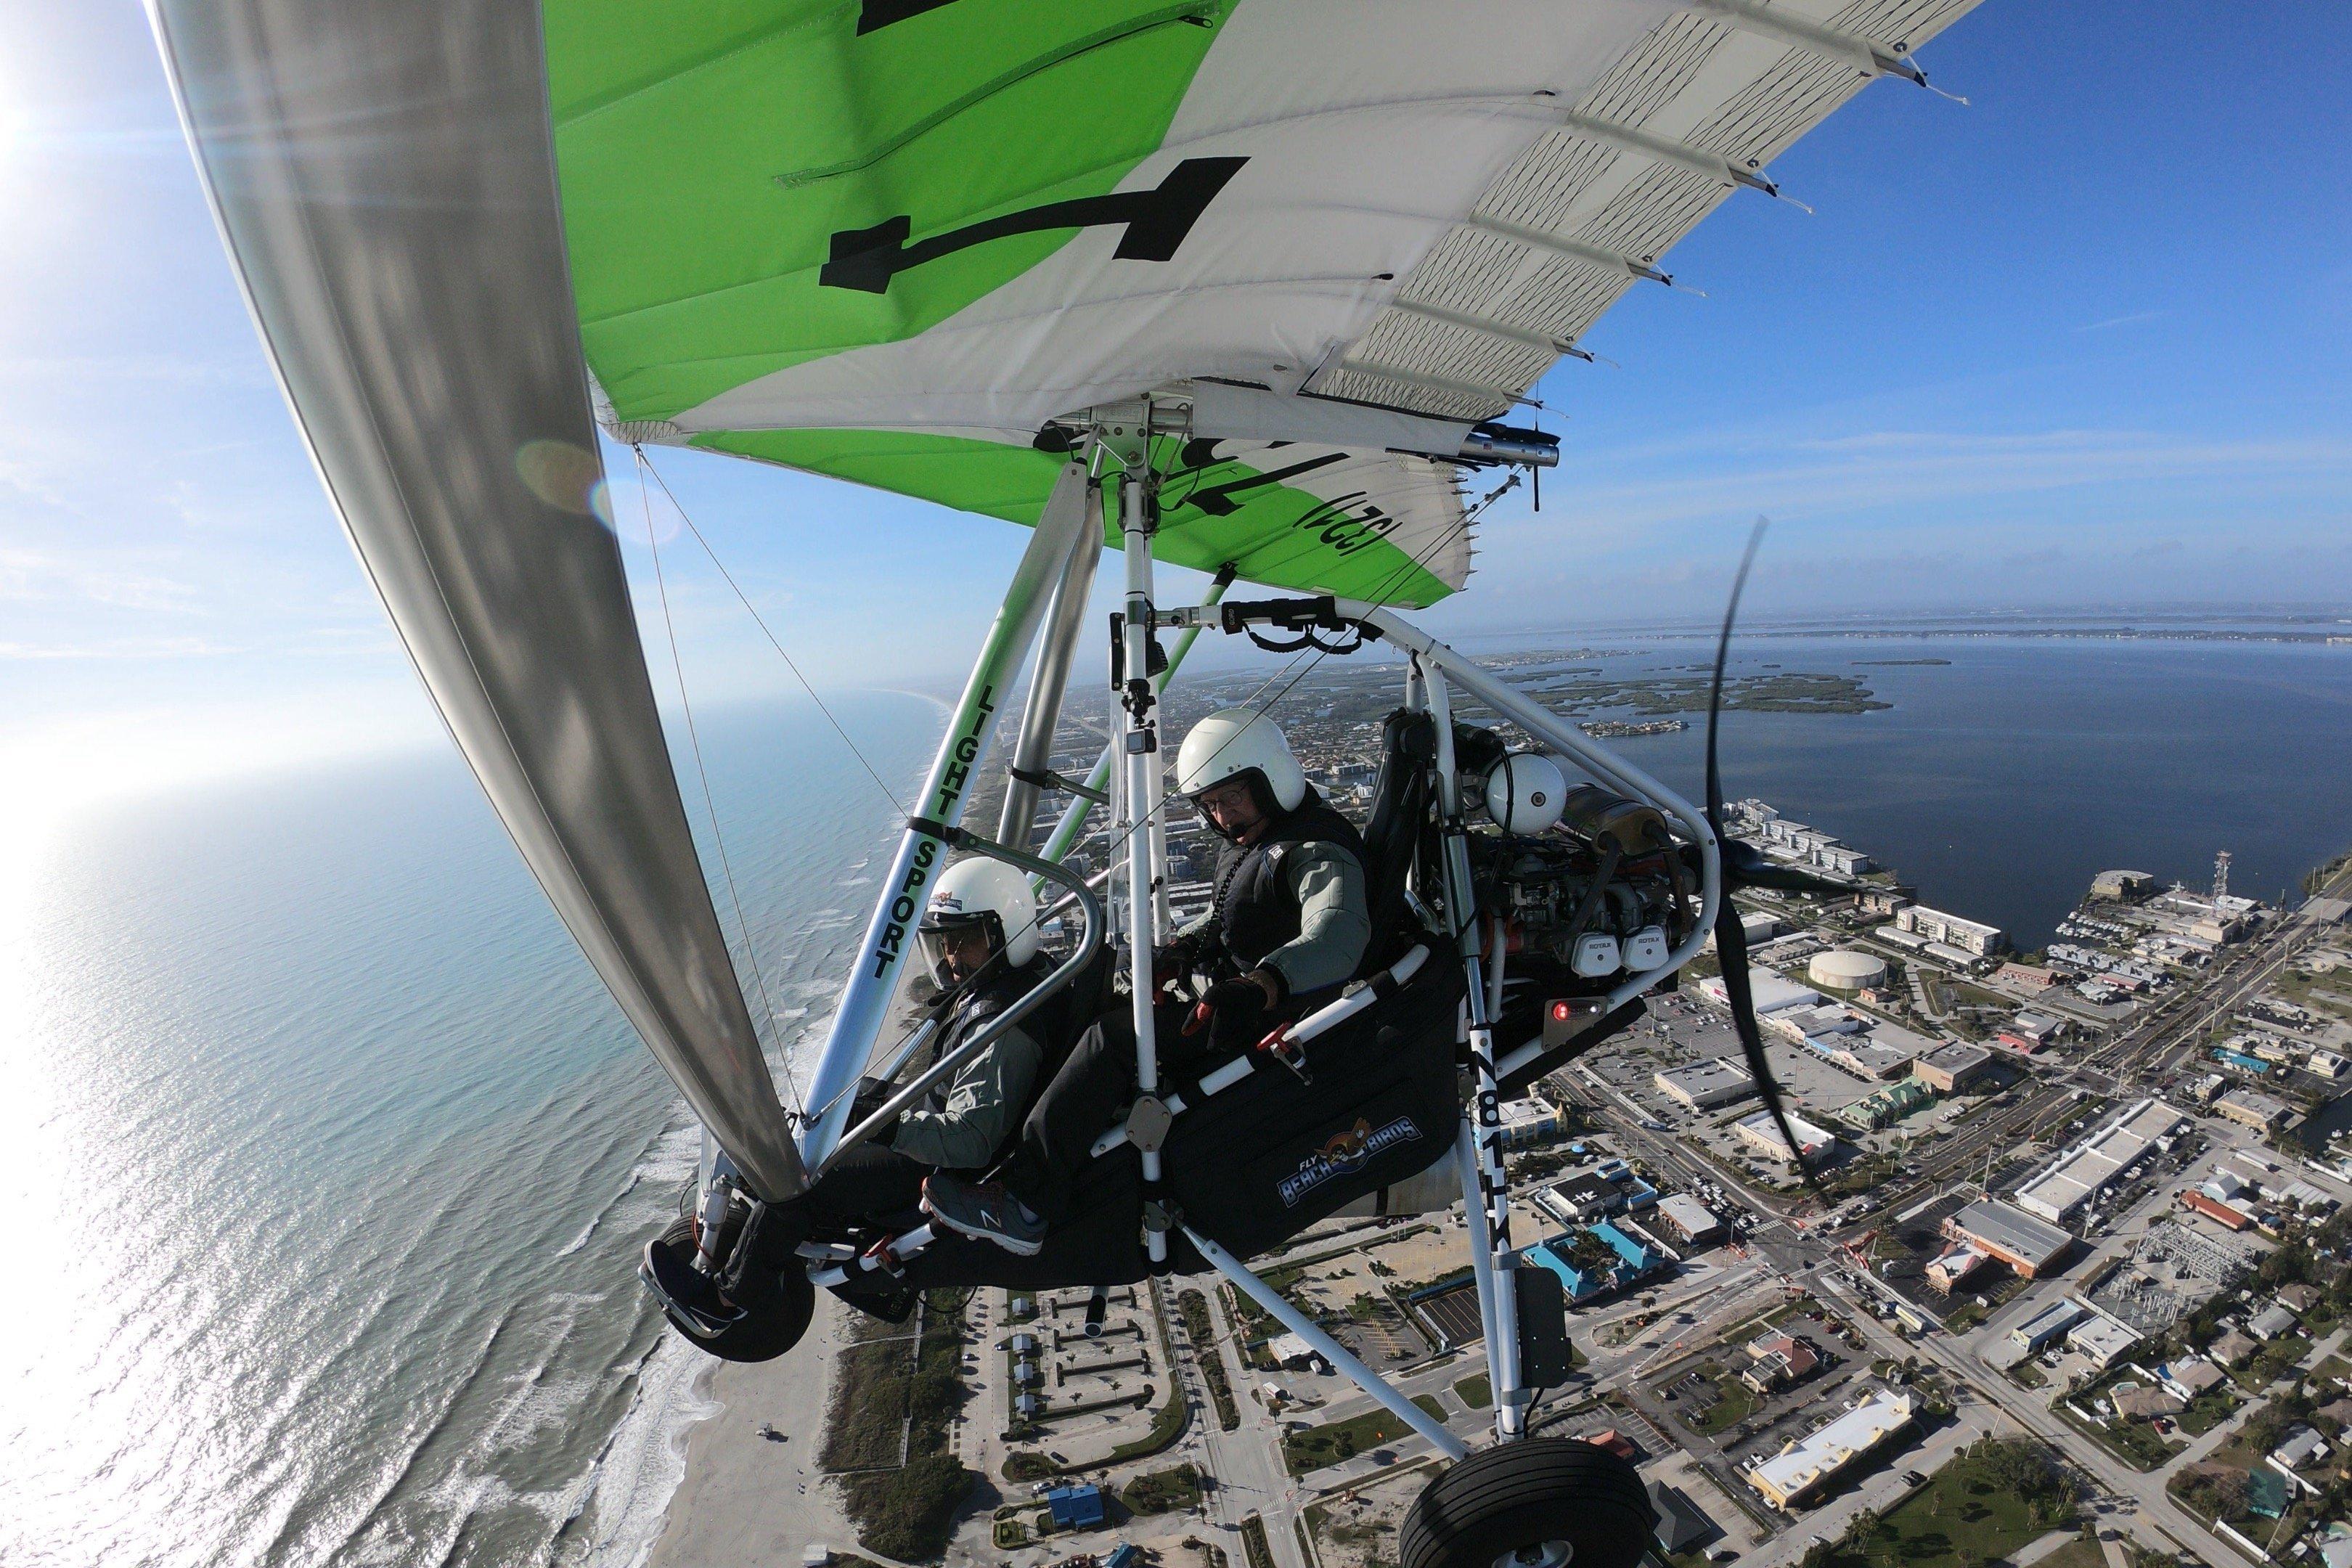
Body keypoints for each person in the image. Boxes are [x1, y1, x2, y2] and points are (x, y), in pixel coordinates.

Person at [921, 706, 1371, 1254]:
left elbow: (1336, 935)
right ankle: (1011, 1146)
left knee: (1111, 1041)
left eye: (1232, 798)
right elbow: (1238, 912)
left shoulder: (1317, 851)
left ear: (1270, 777)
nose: (1223, 818)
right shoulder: (1262, 840)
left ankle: (1025, 1203)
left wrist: (1264, 984)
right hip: (1232, 1005)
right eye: (1209, 806)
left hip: (1271, 1022)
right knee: (1100, 996)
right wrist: (1185, 946)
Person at [721, 855, 1052, 1297]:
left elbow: (972, 1142)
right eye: (946, 943)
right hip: (944, 1114)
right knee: (848, 1100)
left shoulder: (1002, 1027)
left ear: (1005, 934)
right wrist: (873, 1112)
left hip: (949, 1160)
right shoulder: (1021, 981)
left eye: (966, 940)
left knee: (795, 1181)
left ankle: (736, 1297)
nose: (952, 958)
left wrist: (886, 1124)